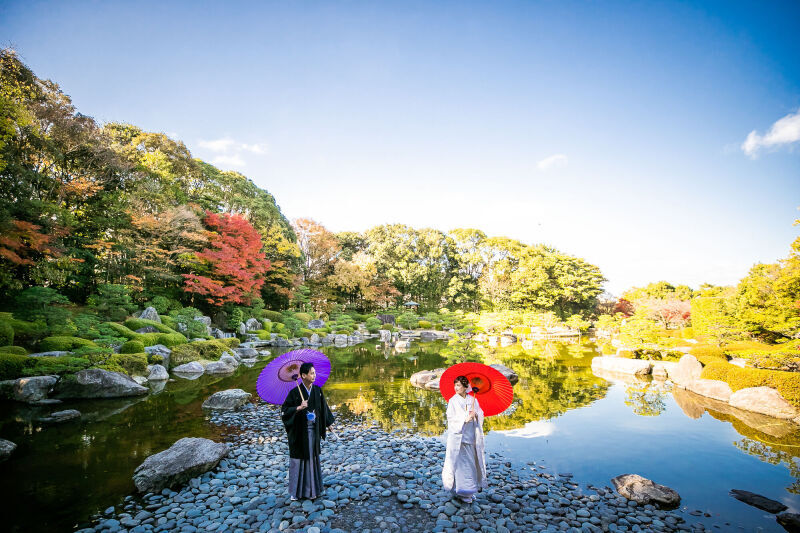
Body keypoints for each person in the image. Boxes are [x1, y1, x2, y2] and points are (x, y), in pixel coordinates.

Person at [281, 362, 335, 500]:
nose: (314, 375)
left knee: (312, 458)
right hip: (300, 432)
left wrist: (329, 423)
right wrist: (298, 408)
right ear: (303, 375)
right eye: (311, 373)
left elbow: (323, 408)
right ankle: (296, 493)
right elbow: (285, 411)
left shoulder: (317, 390)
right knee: (299, 459)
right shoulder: (294, 393)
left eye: (314, 373)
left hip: (314, 430)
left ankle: (313, 490)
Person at [441, 375, 487, 503]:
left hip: (470, 436)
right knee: (460, 464)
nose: (456, 388)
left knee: (471, 464)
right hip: (458, 438)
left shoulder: (473, 399)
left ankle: (471, 489)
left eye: (459, 385)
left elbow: (480, 414)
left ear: (466, 387)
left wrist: (476, 415)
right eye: (455, 385)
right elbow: (451, 418)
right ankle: (462, 491)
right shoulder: (453, 401)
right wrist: (464, 419)